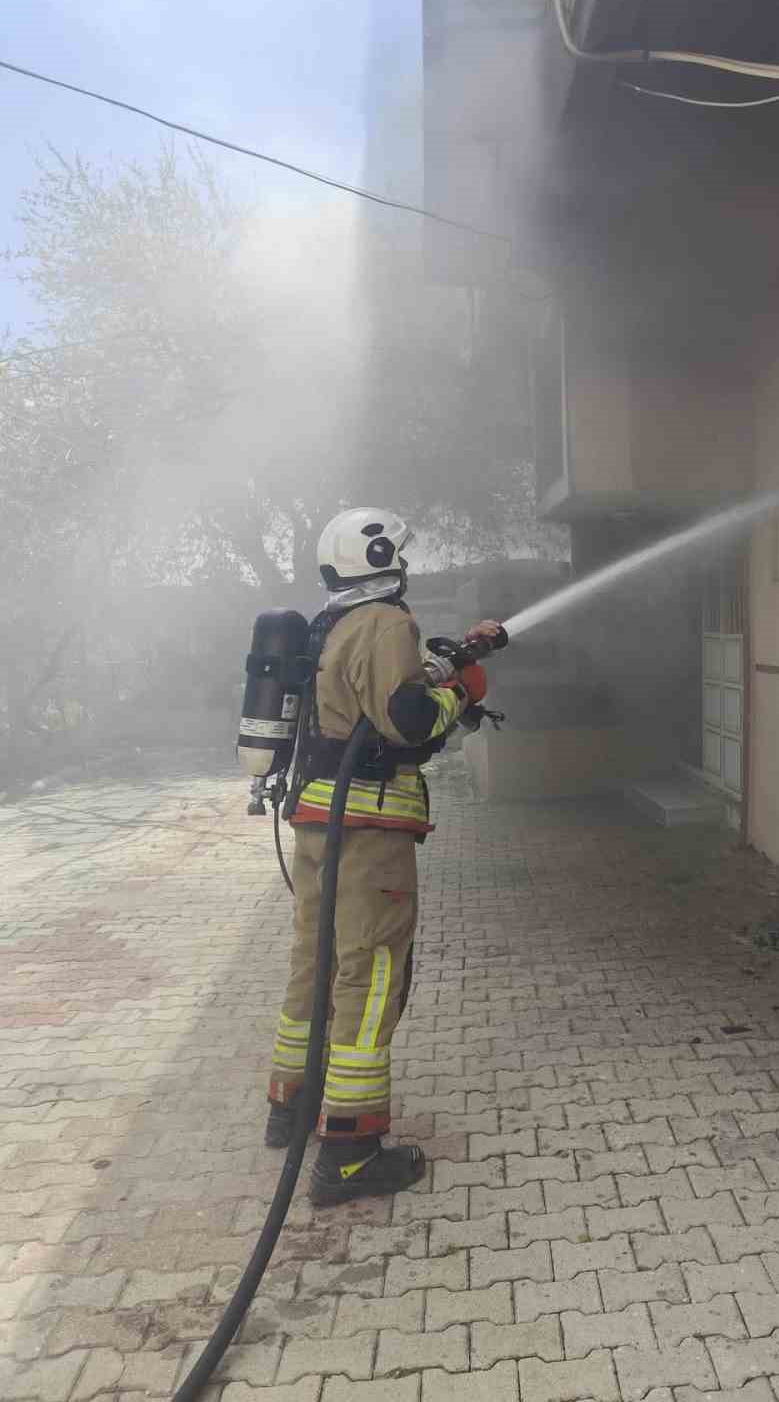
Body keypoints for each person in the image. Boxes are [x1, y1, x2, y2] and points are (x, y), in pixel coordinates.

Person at [263, 506, 499, 1206]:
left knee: (317, 960)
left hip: (316, 822)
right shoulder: (388, 621)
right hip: (368, 829)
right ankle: (352, 1152)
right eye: (401, 553)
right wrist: (459, 690)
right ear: (382, 557)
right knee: (371, 974)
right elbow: (408, 721)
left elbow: (364, 697)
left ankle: (293, 1106)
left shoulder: (331, 622)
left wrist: (453, 657)